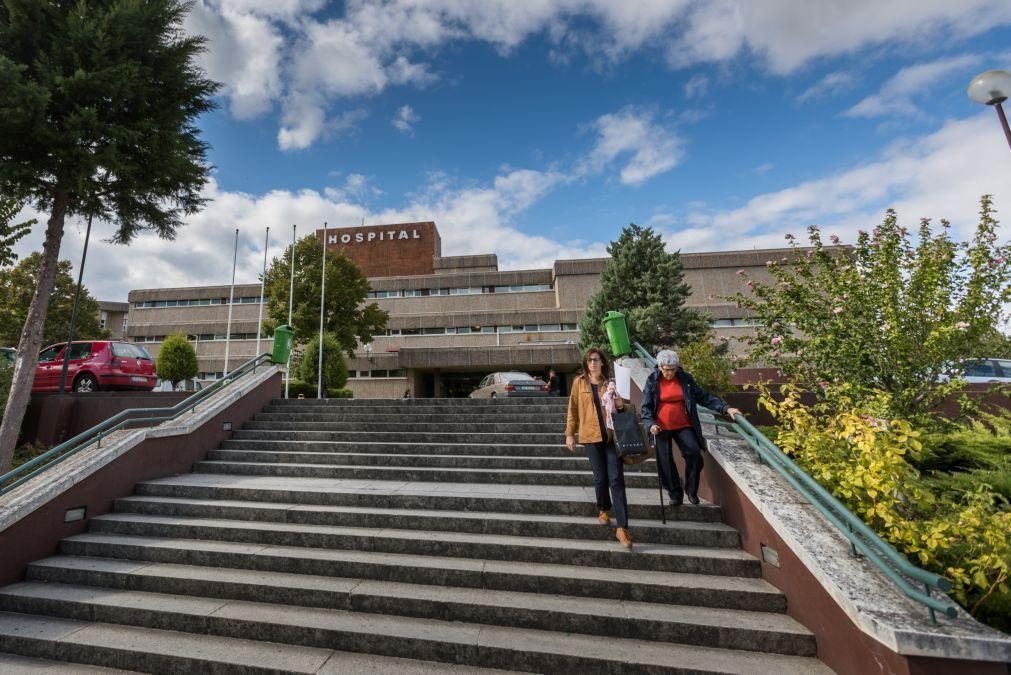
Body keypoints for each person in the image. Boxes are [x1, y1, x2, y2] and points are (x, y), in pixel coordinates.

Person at [641, 349, 740, 506]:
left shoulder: (685, 378)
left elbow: (703, 397)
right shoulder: (652, 380)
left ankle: (691, 490)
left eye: (673, 369)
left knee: (694, 454)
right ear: (660, 367)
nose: (670, 373)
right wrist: (650, 424)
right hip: (660, 426)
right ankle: (675, 494)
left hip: (684, 424)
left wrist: (725, 408)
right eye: (667, 370)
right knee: (665, 461)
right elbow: (646, 407)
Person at [565, 348, 634, 549]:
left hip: (612, 437)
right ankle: (603, 508)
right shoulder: (579, 383)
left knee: (616, 480)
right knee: (600, 478)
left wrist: (621, 405)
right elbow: (573, 409)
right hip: (590, 436)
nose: (593, 363)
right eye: (589, 360)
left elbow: (625, 409)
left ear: (602, 362)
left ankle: (623, 527)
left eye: (596, 360)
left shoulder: (612, 383)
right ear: (586, 364)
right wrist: (570, 434)